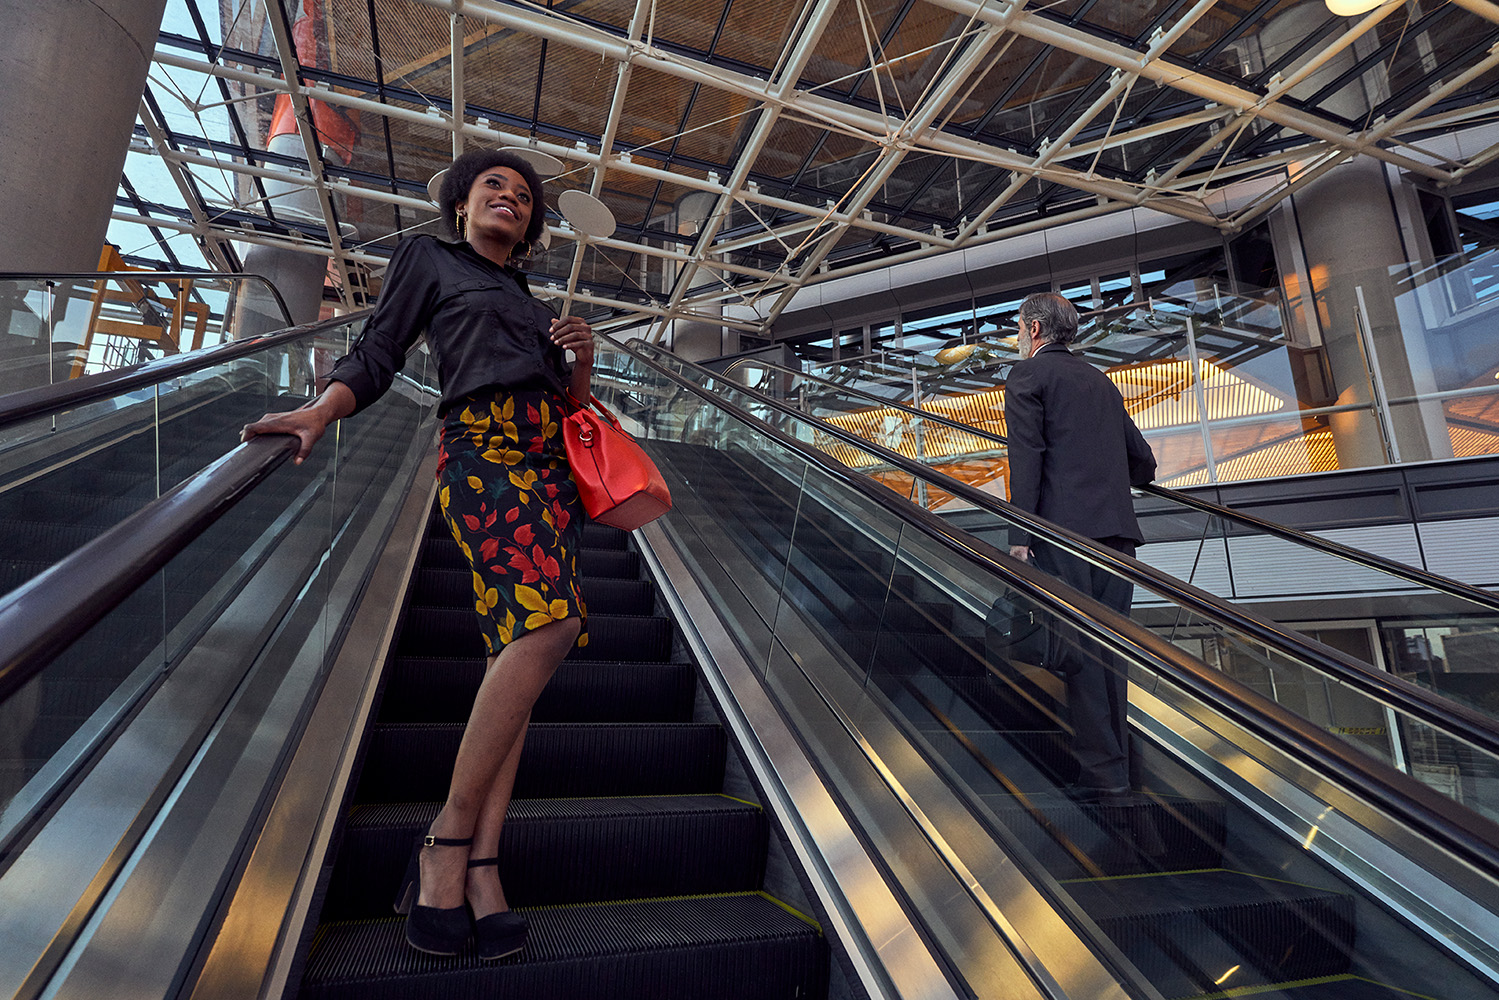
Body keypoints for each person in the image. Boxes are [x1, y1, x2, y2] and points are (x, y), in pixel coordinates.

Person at [241, 149, 596, 960]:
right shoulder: (429, 258)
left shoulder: (528, 296)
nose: (509, 198)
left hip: (549, 470)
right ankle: (443, 842)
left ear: (533, 225)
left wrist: (579, 359)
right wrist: (321, 409)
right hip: (484, 453)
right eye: (492, 188)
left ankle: (483, 867)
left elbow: (569, 406)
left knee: (521, 653)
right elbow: (379, 348)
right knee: (550, 629)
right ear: (463, 207)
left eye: (522, 195)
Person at [1003, 292, 1156, 802]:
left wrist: (1020, 538)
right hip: (1118, 538)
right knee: (1111, 652)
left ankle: (1103, 777)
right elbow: (1143, 460)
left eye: (1020, 329)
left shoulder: (1028, 377)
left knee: (1079, 653)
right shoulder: (1099, 381)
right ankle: (1122, 770)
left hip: (1065, 536)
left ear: (1035, 330)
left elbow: (1026, 458)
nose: (1019, 337)